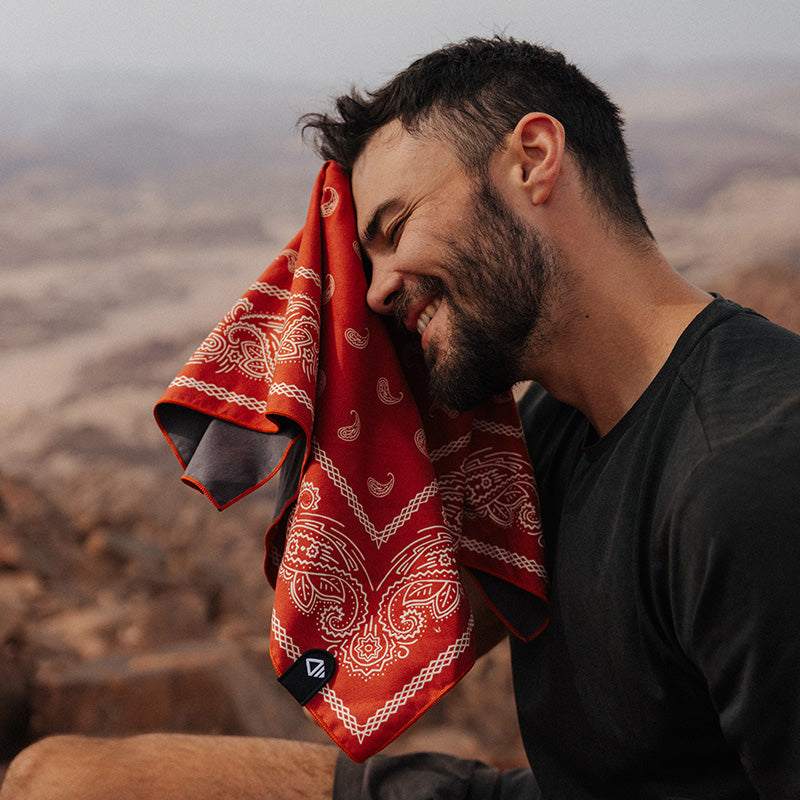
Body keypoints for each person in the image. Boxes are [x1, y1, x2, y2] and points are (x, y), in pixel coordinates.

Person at [3, 35, 799, 800]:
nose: (377, 290)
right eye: (363, 262)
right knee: (58, 780)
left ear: (533, 160)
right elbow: (376, 640)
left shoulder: (747, 473)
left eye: (391, 230)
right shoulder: (558, 423)